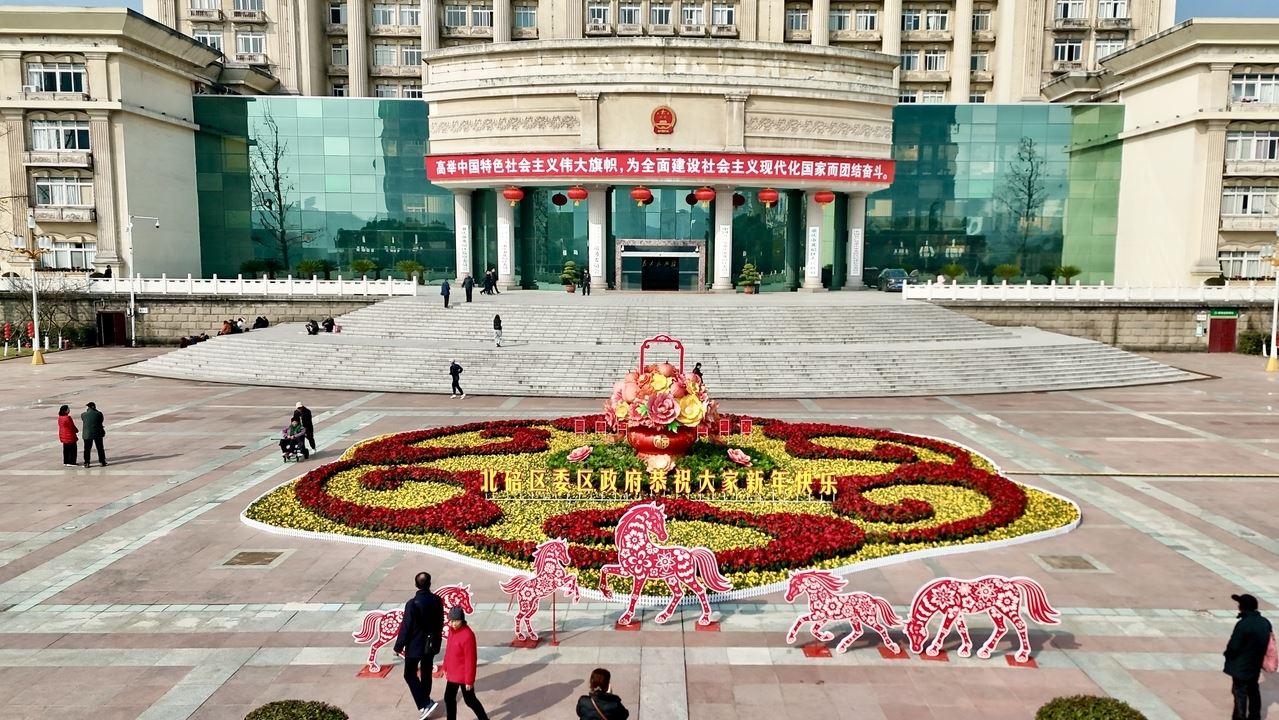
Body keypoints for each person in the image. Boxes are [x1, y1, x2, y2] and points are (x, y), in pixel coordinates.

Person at [394, 571, 444, 720]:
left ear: (416, 584)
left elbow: (406, 627)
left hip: (415, 645)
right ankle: (426, 703)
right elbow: (440, 621)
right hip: (431, 643)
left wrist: (398, 646)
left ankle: (425, 703)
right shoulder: (437, 600)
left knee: (409, 674)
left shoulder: (412, 604)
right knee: (426, 672)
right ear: (429, 583)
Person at [1224, 592, 1272, 720]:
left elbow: (1234, 645)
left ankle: (1240, 717)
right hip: (1255, 664)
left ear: (1243, 607)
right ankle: (1255, 716)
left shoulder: (1243, 624)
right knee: (1253, 690)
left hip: (1241, 665)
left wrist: (1227, 654)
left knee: (1240, 692)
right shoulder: (1265, 622)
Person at [442, 605, 489, 720]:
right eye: (451, 621)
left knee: (470, 700)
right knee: (448, 698)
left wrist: (469, 680)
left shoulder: (468, 635)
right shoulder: (452, 631)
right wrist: (445, 666)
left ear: (462, 620)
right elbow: (448, 650)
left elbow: (471, 659)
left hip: (463, 675)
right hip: (453, 673)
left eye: (456, 621)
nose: (453, 624)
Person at [81, 402, 107, 468]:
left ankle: (87, 463)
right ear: (94, 407)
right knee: (100, 448)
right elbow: (101, 421)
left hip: (87, 434)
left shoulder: (83, 414)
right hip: (97, 433)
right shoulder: (99, 413)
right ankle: (102, 462)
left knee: (87, 449)